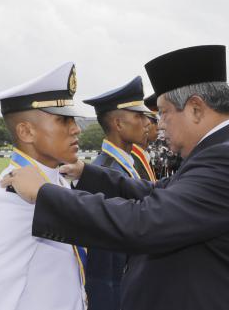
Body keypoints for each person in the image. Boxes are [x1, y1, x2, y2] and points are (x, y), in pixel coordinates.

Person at [2, 45, 229, 310]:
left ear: (196, 109)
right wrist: (88, 174)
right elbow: (159, 192)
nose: (160, 124)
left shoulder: (228, 160)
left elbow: (145, 221)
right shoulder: (228, 152)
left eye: (164, 112)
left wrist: (44, 194)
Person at [0, 62, 87, 310]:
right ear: (26, 131)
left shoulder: (56, 181)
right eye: (63, 120)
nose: (76, 129)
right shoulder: (8, 201)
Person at [81, 76, 151, 310]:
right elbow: (105, 263)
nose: (147, 122)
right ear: (118, 124)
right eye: (138, 116)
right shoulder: (103, 173)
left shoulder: (126, 166)